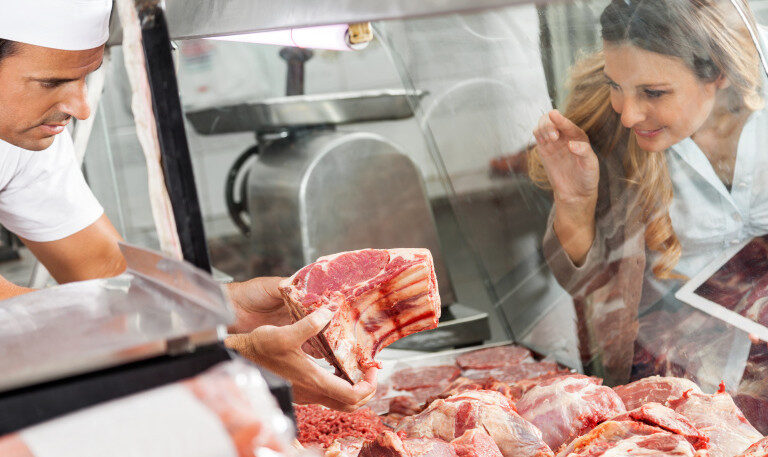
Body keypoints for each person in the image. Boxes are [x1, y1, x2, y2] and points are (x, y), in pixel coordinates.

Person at [0, 1, 375, 411]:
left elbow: (99, 269)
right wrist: (231, 358)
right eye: (52, 82)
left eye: (85, 78)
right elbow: (13, 323)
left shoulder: (25, 136)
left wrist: (220, 306)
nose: (81, 107)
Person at [529, 0, 767, 385]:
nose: (628, 114)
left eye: (654, 93)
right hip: (674, 365)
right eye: (615, 86)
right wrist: (574, 204)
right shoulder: (608, 126)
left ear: (719, 74)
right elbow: (583, 287)